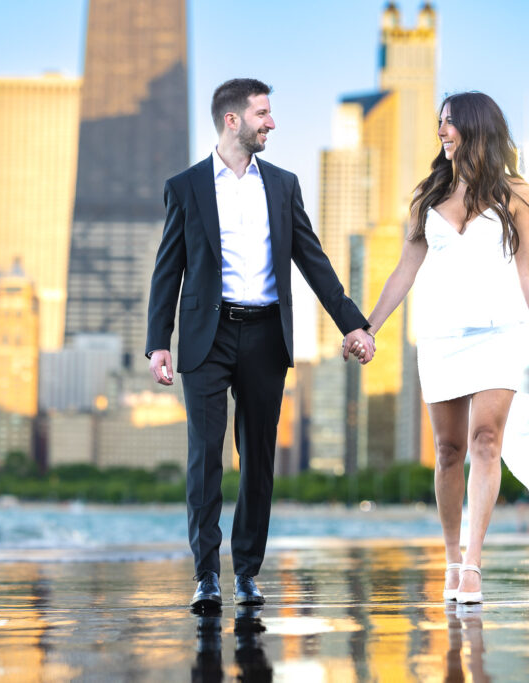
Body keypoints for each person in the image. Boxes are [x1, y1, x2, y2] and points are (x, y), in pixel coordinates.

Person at [145, 78, 375, 610]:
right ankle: (207, 575)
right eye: (263, 113)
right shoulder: (186, 187)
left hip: (267, 334)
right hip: (208, 335)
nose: (271, 123)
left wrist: (353, 323)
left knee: (259, 459)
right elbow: (168, 268)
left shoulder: (284, 185)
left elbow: (313, 261)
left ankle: (246, 571)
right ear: (233, 120)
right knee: (205, 459)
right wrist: (160, 341)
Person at [359, 91, 529, 604]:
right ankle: (452, 557)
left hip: (502, 332)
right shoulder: (429, 197)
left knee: (485, 441)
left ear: (474, 128)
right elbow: (404, 271)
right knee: (449, 452)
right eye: (439, 123)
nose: (441, 131)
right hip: (441, 336)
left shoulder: (516, 192)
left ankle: (473, 564)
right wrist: (369, 327)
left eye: (449, 122)